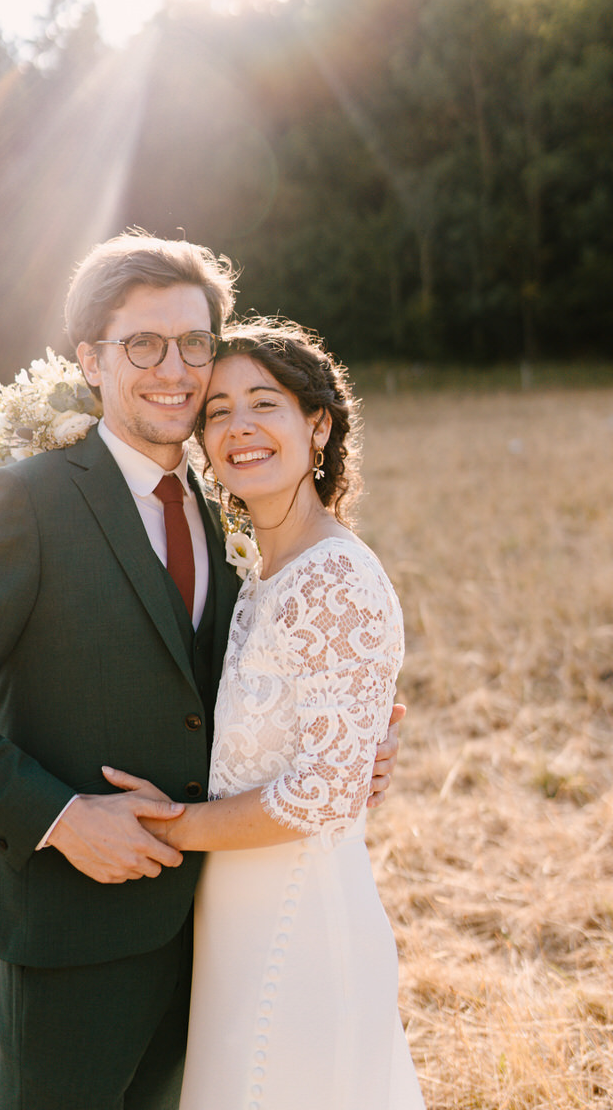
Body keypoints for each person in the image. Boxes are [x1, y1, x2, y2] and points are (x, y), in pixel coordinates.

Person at [0, 233, 403, 1110]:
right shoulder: (27, 499)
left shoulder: (227, 508)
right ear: (91, 360)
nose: (176, 368)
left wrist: (346, 753)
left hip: (216, 930)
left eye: (194, 343)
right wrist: (58, 816)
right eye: (143, 345)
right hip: (73, 930)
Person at [105, 319, 424, 1108]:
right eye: (216, 413)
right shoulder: (254, 573)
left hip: (301, 925)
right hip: (233, 917)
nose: (237, 429)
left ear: (317, 423)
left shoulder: (335, 578)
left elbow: (322, 793)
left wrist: (165, 826)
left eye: (263, 404)